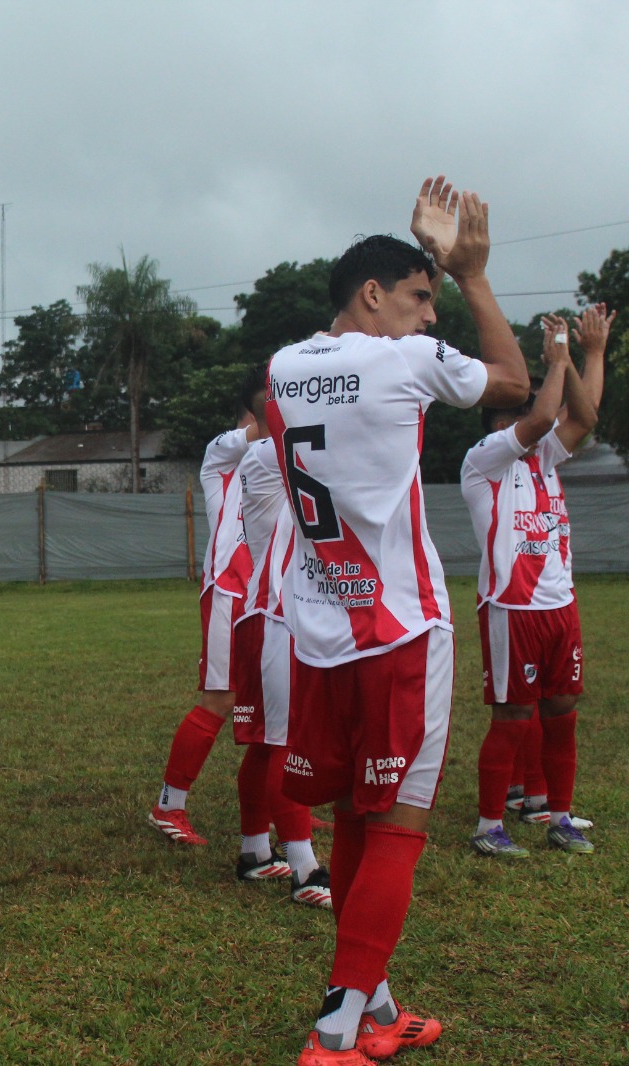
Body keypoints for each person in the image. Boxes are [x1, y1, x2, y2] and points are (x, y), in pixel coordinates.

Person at [268, 177, 528, 1065]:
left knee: (351, 818)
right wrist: (471, 275)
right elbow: (515, 383)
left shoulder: (283, 367)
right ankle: (338, 1026)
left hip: (318, 634)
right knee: (400, 827)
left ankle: (376, 1004)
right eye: (418, 299)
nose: (428, 317)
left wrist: (436, 280)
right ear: (371, 296)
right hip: (402, 633)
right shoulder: (403, 359)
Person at [462, 304, 609, 857]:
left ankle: (560, 816)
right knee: (512, 715)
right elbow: (547, 417)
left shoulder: (542, 458)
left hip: (559, 604)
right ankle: (487, 827)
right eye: (522, 409)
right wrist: (559, 360)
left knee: (563, 710)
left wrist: (573, 359)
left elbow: (584, 416)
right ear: (504, 423)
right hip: (511, 606)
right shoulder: (484, 460)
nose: (533, 410)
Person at [228, 364, 330, 907]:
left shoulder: (286, 453)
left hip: (285, 614)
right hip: (274, 615)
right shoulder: (266, 456)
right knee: (285, 742)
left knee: (271, 744)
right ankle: (305, 869)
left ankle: (254, 853)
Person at [148, 403, 256, 846]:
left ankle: (289, 812)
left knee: (283, 704)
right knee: (220, 697)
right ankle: (169, 806)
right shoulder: (222, 456)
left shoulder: (284, 461)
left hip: (274, 599)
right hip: (231, 591)